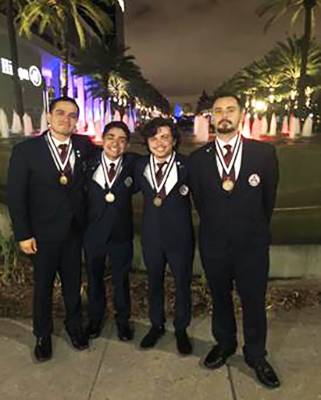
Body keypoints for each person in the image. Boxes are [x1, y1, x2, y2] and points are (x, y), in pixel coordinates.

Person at [188, 93, 280, 388]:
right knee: (220, 298)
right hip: (214, 244)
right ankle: (225, 344)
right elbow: (200, 203)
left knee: (253, 301)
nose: (224, 115)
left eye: (230, 109)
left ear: (241, 114)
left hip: (251, 245)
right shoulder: (198, 160)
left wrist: (250, 229)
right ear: (211, 117)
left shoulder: (263, 154)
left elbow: (268, 202)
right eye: (218, 111)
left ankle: (255, 355)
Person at [7, 96, 95, 362]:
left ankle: (73, 325)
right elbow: (16, 195)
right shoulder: (26, 151)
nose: (66, 119)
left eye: (72, 115)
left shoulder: (84, 145)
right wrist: (23, 234)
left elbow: (113, 156)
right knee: (43, 287)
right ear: (48, 116)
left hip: (73, 231)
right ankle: (42, 335)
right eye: (60, 113)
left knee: (72, 284)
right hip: (42, 234)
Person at [135, 118, 194, 355]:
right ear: (147, 142)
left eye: (165, 137)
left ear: (174, 140)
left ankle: (181, 329)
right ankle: (156, 325)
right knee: (154, 283)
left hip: (180, 237)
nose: (159, 143)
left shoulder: (187, 165)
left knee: (182, 284)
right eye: (153, 138)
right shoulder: (138, 166)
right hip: (151, 236)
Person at [84, 121, 138, 341]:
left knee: (121, 280)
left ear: (126, 145)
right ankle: (95, 320)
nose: (116, 143)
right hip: (93, 233)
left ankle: (123, 321)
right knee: (94, 278)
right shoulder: (88, 163)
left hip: (120, 234)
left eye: (122, 139)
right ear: (103, 139)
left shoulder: (133, 164)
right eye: (111, 137)